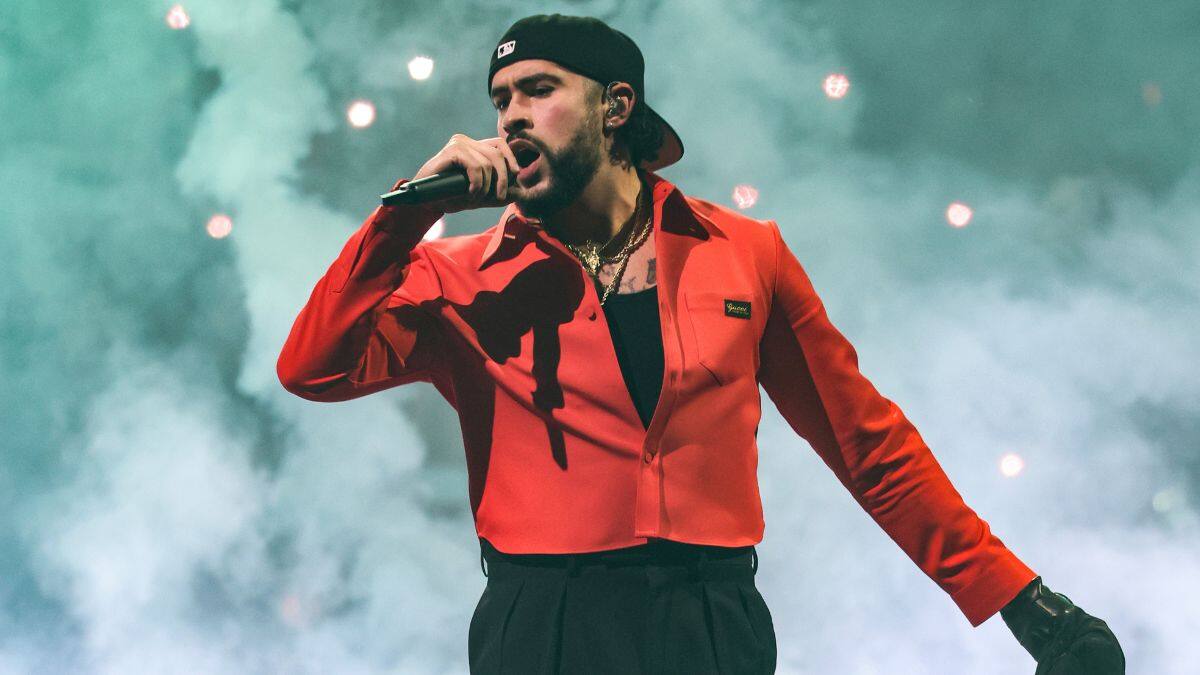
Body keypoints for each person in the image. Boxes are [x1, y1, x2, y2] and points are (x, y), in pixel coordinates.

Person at [276, 12, 1125, 675]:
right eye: (501, 101)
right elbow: (311, 368)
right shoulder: (454, 274)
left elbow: (868, 445)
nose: (511, 118)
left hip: (710, 621)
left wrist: (1023, 601)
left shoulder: (747, 253)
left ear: (616, 107)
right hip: (543, 624)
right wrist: (407, 213)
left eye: (537, 90)